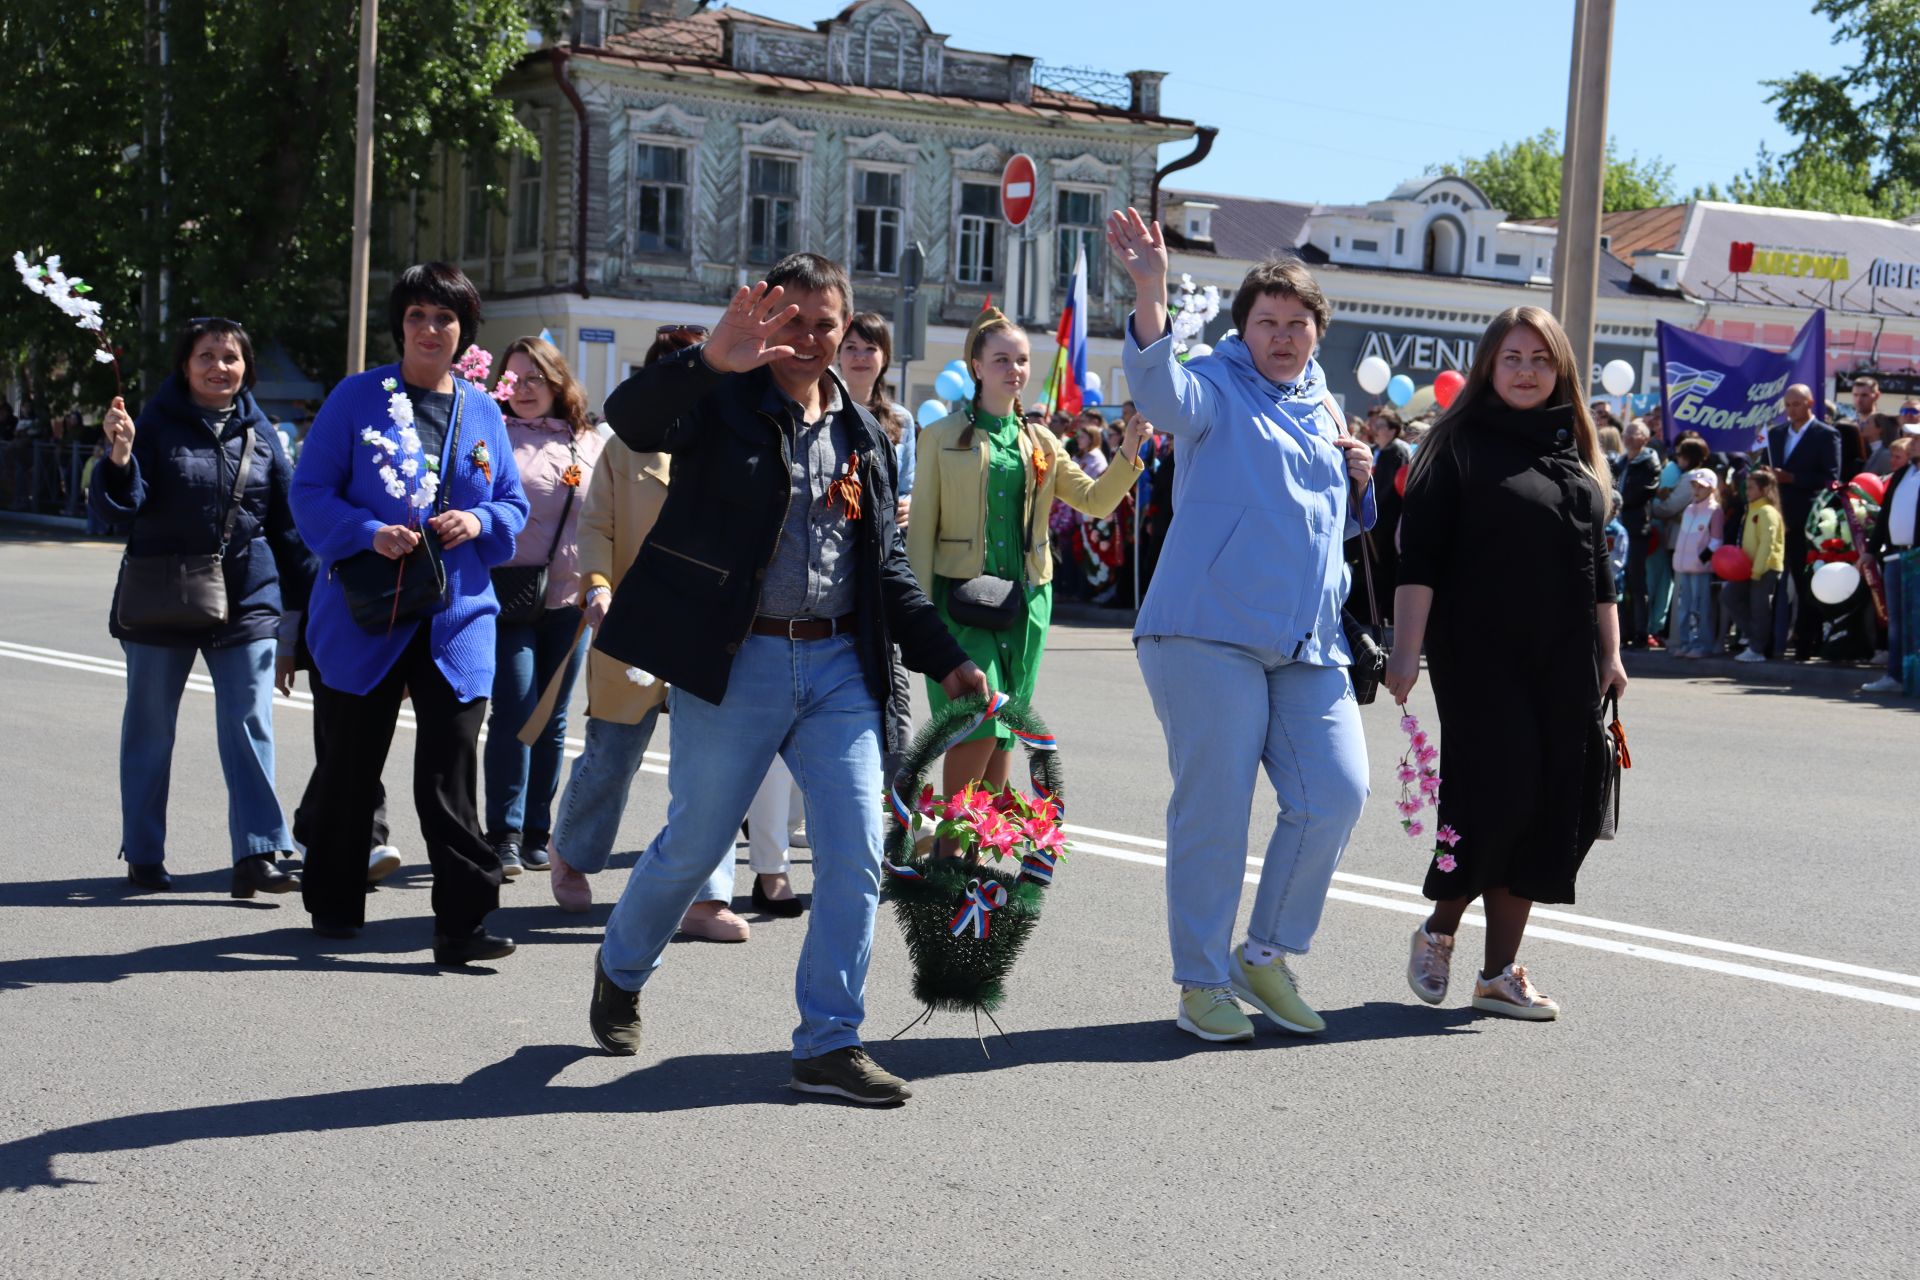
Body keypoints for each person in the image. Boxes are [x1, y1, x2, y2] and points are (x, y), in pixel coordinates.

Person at [584, 253, 985, 1106]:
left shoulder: (866, 435)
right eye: (791, 321)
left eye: (823, 323)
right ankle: (621, 967)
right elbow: (630, 419)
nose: (807, 339)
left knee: (857, 850)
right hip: (738, 662)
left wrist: (947, 657)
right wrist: (706, 359)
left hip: (840, 663)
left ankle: (828, 1041)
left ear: (847, 331)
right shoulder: (720, 403)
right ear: (765, 326)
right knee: (694, 846)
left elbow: (889, 576)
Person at [1108, 208, 1374, 1043]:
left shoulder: (1323, 403)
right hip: (1204, 632)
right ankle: (1200, 980)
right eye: (1269, 323)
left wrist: (1359, 479)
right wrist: (1150, 289)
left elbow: (1323, 526)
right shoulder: (1215, 385)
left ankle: (1264, 953)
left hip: (1305, 643)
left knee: (1335, 792)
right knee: (1216, 808)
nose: (1285, 337)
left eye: (1299, 324)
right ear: (1243, 329)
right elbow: (1161, 393)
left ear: (1317, 334)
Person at [1387, 304, 1627, 1022]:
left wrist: (1612, 655)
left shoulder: (1575, 455)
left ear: (1561, 371)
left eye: (1540, 360)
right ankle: (1440, 931)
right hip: (1478, 656)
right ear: (1490, 366)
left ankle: (1498, 975)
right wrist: (1404, 652)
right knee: (1499, 794)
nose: (1526, 371)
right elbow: (1418, 562)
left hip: (1566, 660)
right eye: (1513, 358)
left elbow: (1601, 569)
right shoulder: (1455, 450)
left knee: (1554, 803)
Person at [288, 262, 530, 964]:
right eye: (419, 316)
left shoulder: (483, 410)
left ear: (465, 332)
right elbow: (311, 490)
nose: (431, 329)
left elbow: (513, 502)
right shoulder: (356, 397)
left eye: (445, 319)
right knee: (349, 767)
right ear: (401, 325)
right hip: (368, 612)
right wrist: (369, 533)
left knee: (450, 773)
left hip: (456, 621)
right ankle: (334, 902)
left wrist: (479, 520)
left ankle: (463, 924)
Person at [88, 317, 312, 895]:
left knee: (250, 723)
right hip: (164, 591)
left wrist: (313, 606)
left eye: (230, 357)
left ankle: (258, 854)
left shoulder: (263, 435)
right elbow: (119, 508)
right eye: (207, 356)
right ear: (185, 366)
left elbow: (288, 528)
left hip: (248, 598)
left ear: (247, 368)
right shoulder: (152, 427)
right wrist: (118, 458)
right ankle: (142, 851)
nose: (220, 367)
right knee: (151, 725)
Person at [547, 323, 748, 933]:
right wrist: (598, 588)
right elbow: (596, 526)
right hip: (631, 620)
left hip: (708, 626)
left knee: (707, 766)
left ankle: (706, 897)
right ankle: (572, 854)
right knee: (613, 755)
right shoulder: (623, 445)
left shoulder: (733, 443)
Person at [909, 308, 1143, 810]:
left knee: (1007, 723)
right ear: (976, 366)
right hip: (959, 600)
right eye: (1001, 360)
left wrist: (1128, 453)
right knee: (980, 715)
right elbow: (922, 529)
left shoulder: (1041, 439)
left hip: (1026, 601)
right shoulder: (941, 435)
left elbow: (1097, 501)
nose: (1013, 370)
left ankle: (976, 849)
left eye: (1020, 360)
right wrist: (918, 617)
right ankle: (952, 852)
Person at [481, 337, 605, 877]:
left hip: (570, 598)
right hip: (506, 594)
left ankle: (537, 830)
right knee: (514, 709)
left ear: (558, 382)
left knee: (552, 719)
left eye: (535, 378)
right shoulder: (489, 433)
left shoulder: (590, 440)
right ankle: (502, 832)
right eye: (513, 379)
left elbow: (604, 517)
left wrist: (602, 583)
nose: (524, 389)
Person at [836, 311, 916, 786]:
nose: (861, 357)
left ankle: (897, 811)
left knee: (894, 692)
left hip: (881, 571)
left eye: (870, 348)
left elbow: (907, 486)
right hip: (833, 569)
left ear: (884, 357)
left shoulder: (900, 420)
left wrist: (906, 506)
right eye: (851, 348)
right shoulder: (822, 407)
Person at [1767, 385, 1843, 660]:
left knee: (1803, 583)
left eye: (1797, 404)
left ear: (1810, 403)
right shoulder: (1775, 434)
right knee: (1772, 582)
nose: (1791, 410)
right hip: (1775, 518)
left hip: (1806, 519)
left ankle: (1804, 642)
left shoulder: (1826, 435)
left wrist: (1793, 478)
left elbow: (1831, 478)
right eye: (1787, 405)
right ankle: (1768, 642)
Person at [1862, 422, 1920, 693]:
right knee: (1896, 620)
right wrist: (1871, 551)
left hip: (1917, 558)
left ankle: (1913, 678)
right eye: (1910, 436)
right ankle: (1895, 676)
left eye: (1916, 437)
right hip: (1896, 558)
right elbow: (1886, 515)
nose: (1910, 441)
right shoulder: (1901, 475)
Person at [1649, 435, 1711, 647]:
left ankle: (1680, 636)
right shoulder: (1688, 477)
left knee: (1683, 593)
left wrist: (1652, 507)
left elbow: (1669, 507)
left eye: (1682, 455)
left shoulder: (1689, 479)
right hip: (1682, 539)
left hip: (1680, 541)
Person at [1728, 467, 1785, 663]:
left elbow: (1767, 544)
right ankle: (1756, 638)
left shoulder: (1766, 512)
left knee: (1760, 609)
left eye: (1751, 487)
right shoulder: (1751, 509)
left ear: (1764, 490)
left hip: (1763, 569)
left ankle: (1758, 648)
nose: (1747, 491)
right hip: (1748, 568)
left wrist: (1757, 570)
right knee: (1729, 597)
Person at [1668, 468, 1725, 659]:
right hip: (1684, 567)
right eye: (1694, 486)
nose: (1696, 490)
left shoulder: (1715, 511)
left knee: (1700, 607)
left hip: (1700, 569)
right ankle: (1686, 642)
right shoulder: (1689, 509)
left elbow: (1716, 541)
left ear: (1711, 489)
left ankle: (1702, 644)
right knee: (1684, 607)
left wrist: (1701, 559)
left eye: (1701, 487)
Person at [1617, 420, 1661, 648]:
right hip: (1617, 530)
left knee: (1636, 583)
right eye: (1626, 433)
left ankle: (1641, 632)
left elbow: (1641, 493)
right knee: (1617, 582)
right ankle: (1621, 633)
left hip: (1635, 530)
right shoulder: (1620, 462)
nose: (1628, 437)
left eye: (1634, 434)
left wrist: (1617, 502)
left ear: (1645, 438)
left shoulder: (1649, 464)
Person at [1368, 407, 1413, 623]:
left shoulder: (1397, 452)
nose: (1376, 430)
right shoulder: (1378, 451)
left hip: (1390, 518)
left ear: (1393, 430)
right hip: (1376, 519)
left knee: (1388, 566)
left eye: (1381, 426)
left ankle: (1388, 612)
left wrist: (1372, 503)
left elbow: (1390, 488)